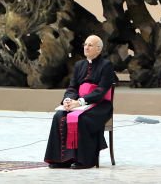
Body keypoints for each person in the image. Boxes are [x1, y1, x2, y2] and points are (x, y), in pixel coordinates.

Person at [43, 35, 115, 169]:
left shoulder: (106, 66)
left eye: (90, 45)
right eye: (85, 44)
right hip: (79, 103)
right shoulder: (79, 65)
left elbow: (101, 90)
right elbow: (72, 87)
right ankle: (62, 159)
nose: (86, 47)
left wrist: (81, 102)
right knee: (59, 116)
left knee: (82, 119)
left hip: (99, 105)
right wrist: (68, 99)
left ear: (98, 49)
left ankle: (85, 160)